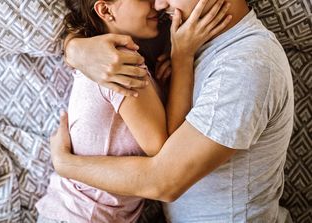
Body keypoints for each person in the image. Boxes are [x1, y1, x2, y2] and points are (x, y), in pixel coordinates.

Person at [50, 0, 295, 222]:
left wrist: (65, 165)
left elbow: (164, 182)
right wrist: (76, 48)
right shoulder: (183, 36)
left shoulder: (247, 65)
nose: (158, 4)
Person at [36, 0, 231, 222]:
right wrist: (182, 59)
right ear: (105, 10)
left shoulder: (114, 61)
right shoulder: (121, 66)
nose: (156, 5)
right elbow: (165, 149)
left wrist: (168, 85)